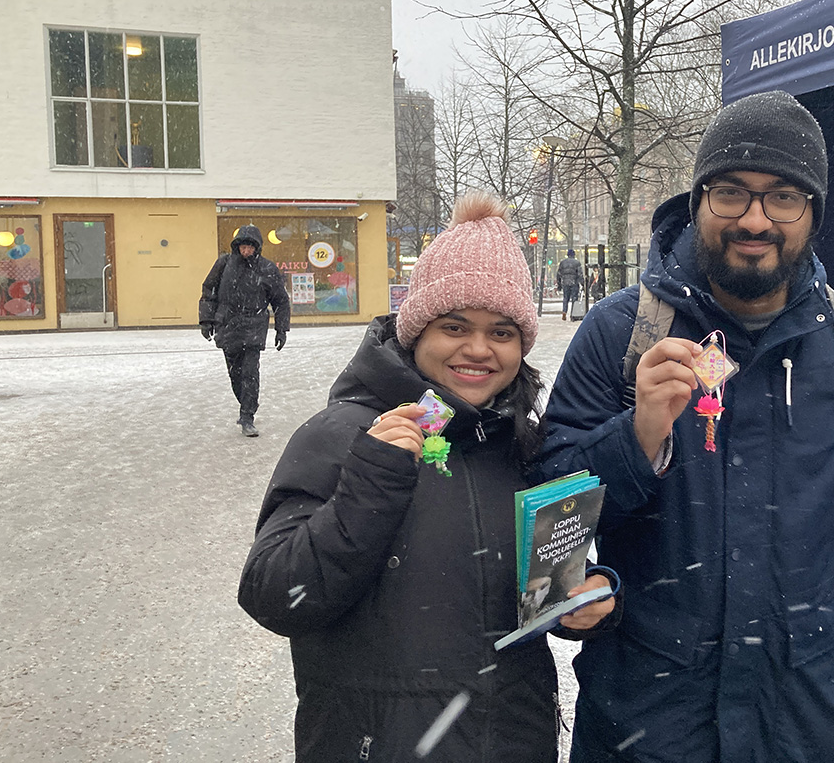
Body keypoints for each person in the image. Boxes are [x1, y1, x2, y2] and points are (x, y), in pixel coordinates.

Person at [535, 91, 834, 763]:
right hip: (647, 712)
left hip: (801, 711)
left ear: (813, 213)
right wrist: (638, 436)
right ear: (697, 201)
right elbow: (551, 495)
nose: (754, 219)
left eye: (783, 197)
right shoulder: (620, 333)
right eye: (730, 192)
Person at [237, 193, 618, 762]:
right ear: (416, 332)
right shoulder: (342, 435)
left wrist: (577, 601)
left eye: (502, 332)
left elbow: (538, 591)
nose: (478, 349)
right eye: (454, 326)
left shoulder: (523, 444)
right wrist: (370, 485)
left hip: (513, 741)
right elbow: (274, 596)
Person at [198, 224, 290, 437]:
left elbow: (280, 300)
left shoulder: (267, 269)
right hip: (228, 326)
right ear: (237, 246)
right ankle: (246, 404)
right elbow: (209, 291)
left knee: (250, 373)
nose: (246, 251)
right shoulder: (224, 264)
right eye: (243, 247)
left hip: (253, 327)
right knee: (235, 375)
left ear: (257, 248)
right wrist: (206, 321)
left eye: (250, 247)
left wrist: (281, 329)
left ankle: (247, 416)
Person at [556, 248, 583, 321]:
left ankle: (564, 312)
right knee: (574, 298)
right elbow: (580, 274)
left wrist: (559, 284)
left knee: (566, 298)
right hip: (574, 282)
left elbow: (558, 274)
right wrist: (582, 283)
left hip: (565, 282)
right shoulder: (577, 263)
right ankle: (572, 315)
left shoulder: (562, 263)